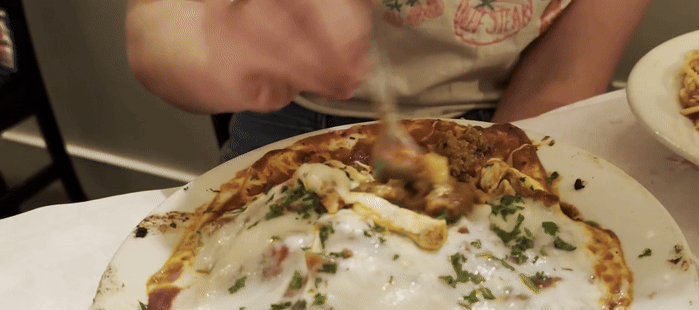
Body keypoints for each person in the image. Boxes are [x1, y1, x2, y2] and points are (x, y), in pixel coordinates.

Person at [126, 0, 651, 161]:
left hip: (507, 122)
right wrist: (211, 41)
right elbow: (168, 28)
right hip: (293, 121)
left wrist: (485, 174)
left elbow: (561, 81)